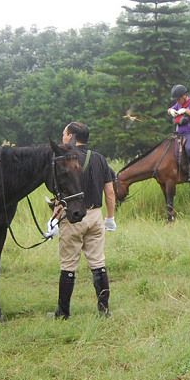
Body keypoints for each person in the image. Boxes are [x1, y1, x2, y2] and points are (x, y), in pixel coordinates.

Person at [52, 121, 116, 318]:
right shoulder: (99, 159)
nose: (63, 138)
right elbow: (110, 192)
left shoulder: (65, 159)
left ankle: (63, 313)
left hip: (73, 218)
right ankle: (104, 310)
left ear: (71, 136)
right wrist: (110, 218)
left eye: (64, 134)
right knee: (98, 263)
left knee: (68, 265)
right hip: (96, 215)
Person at [167, 84, 190, 182]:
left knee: (189, 149)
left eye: (178, 99)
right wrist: (171, 111)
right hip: (179, 133)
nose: (177, 101)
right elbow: (169, 109)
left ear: (184, 96)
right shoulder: (178, 104)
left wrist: (186, 110)